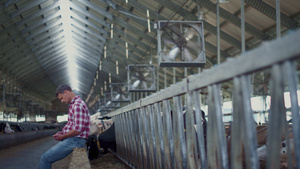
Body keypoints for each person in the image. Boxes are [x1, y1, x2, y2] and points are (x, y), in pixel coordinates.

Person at [39, 84, 91, 169]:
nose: (62, 101)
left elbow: (78, 129)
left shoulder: (77, 105)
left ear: (66, 92)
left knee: (45, 158)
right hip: (74, 139)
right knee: (45, 158)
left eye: (61, 98)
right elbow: (72, 124)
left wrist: (63, 136)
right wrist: (62, 132)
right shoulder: (74, 104)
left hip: (75, 140)